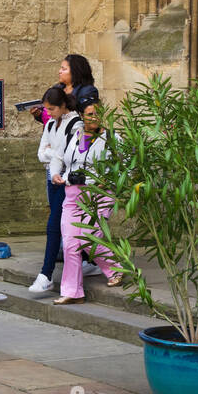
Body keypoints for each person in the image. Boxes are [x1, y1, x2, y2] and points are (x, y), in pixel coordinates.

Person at [53, 87, 122, 304]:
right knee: (71, 243)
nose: (95, 118)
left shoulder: (111, 138)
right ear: (82, 116)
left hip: (97, 193)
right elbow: (72, 161)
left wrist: (108, 180)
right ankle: (72, 292)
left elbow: (125, 167)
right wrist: (61, 175)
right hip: (73, 193)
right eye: (90, 114)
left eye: (98, 113)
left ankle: (115, 268)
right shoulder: (80, 136)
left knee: (90, 237)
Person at [28, 86, 80, 295]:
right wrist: (54, 153)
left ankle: (46, 274)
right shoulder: (50, 123)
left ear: (63, 106)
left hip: (66, 180)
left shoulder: (76, 125)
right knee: (59, 225)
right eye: (46, 109)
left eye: (52, 109)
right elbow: (41, 153)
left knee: (54, 225)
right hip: (52, 177)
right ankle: (88, 260)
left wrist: (53, 153)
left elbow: (67, 155)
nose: (48, 113)